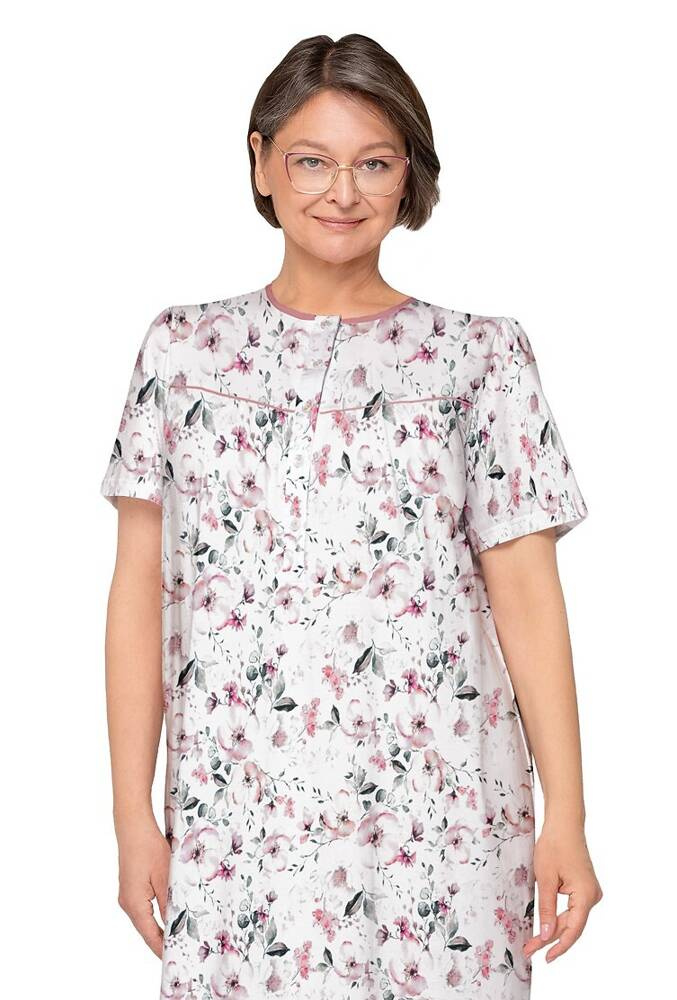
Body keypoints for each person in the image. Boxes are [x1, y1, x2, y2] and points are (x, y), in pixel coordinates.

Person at [100, 32, 602, 1000]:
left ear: (408, 173)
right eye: (311, 161)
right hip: (236, 817)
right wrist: (131, 820)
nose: (341, 191)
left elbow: (528, 601)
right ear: (260, 162)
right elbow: (138, 597)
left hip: (445, 816)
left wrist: (566, 818)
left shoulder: (479, 358)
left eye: (373, 163)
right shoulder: (183, 351)